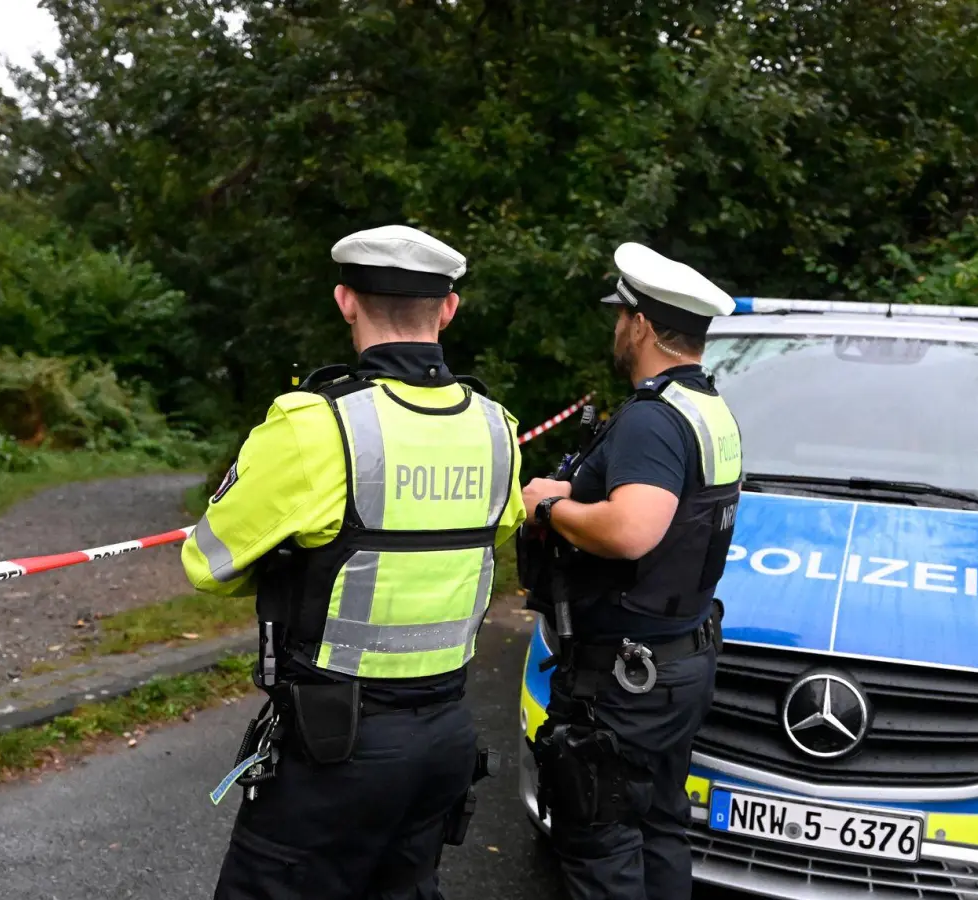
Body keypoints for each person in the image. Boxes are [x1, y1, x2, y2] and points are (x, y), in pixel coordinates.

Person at [182, 224, 526, 900]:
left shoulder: (314, 424)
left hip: (333, 750)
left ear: (345, 301)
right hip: (444, 742)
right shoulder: (498, 427)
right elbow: (496, 536)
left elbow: (207, 561)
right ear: (448, 309)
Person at [519, 242, 743, 900]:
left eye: (621, 317)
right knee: (658, 827)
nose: (616, 329)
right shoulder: (710, 408)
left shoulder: (652, 419)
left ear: (640, 324)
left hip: (625, 678)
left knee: (600, 841)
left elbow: (632, 529)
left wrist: (551, 503)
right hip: (676, 660)